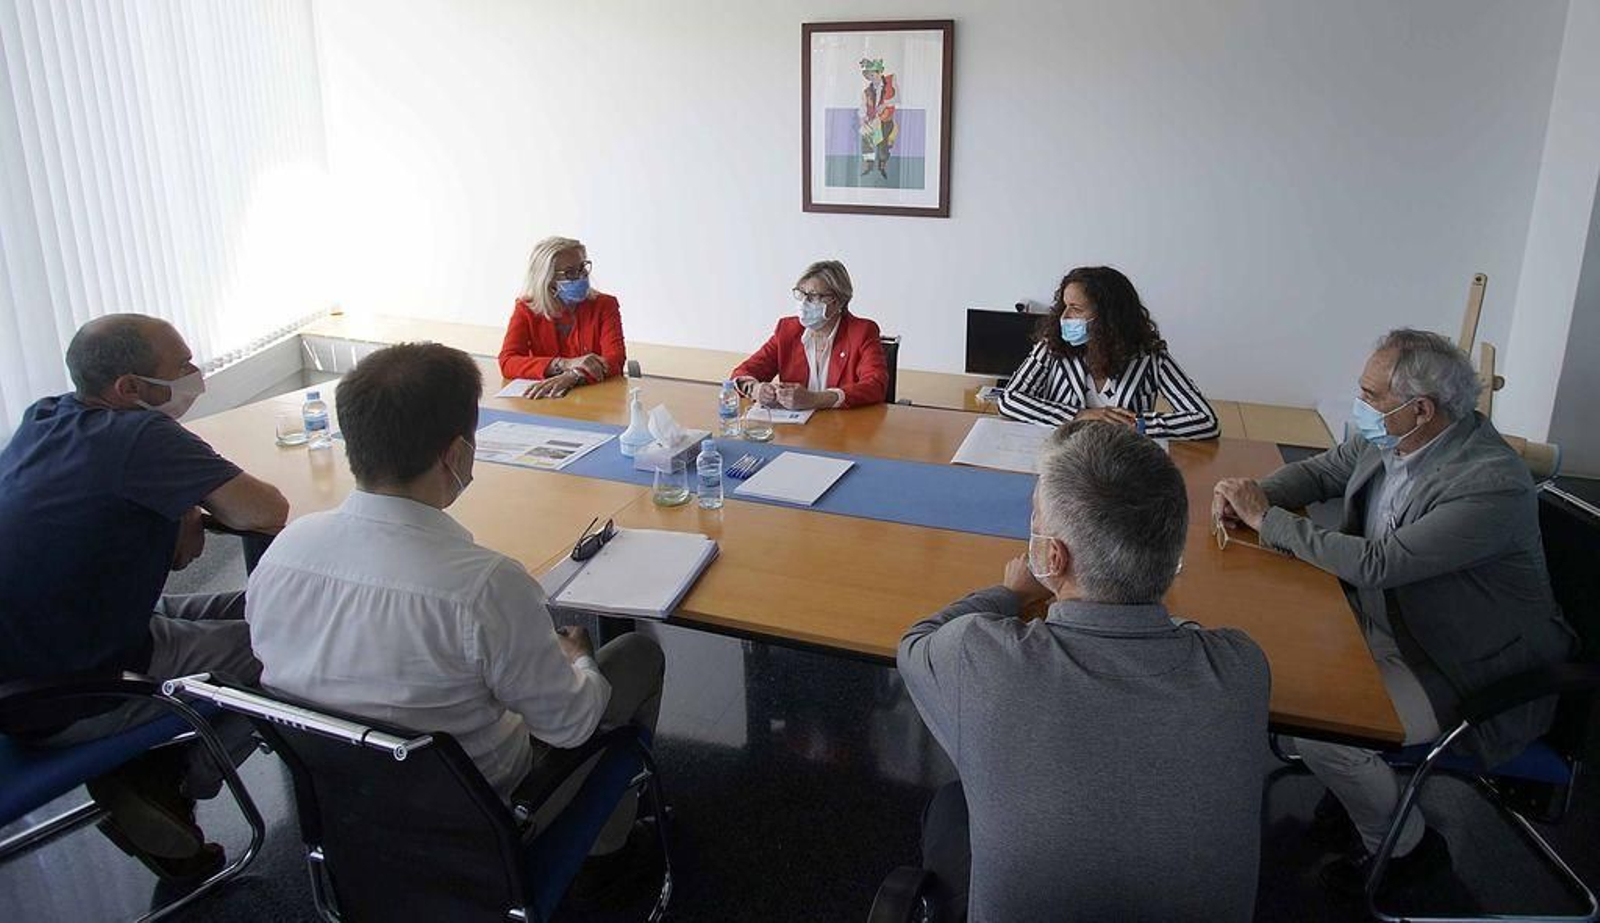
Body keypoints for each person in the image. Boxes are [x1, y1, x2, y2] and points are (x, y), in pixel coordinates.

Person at [245, 342, 666, 893]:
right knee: (634, 656)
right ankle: (606, 849)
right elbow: (569, 725)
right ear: (457, 454)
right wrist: (581, 661)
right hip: (480, 813)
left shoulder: (286, 549)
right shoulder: (484, 585)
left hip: (343, 801)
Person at [1212, 328, 1576, 897]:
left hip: (1464, 668)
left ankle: (1410, 852)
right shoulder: (1395, 438)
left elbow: (1382, 563)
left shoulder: (1489, 484)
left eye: (1370, 393)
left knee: (1321, 728)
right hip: (1390, 627)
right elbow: (1322, 472)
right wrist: (1256, 495)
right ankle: (1362, 795)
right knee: (1281, 665)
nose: (1361, 403)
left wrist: (1268, 521)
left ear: (1420, 409)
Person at [898, 420, 1270, 922]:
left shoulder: (981, 659)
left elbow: (917, 641)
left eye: (1035, 521)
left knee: (949, 807)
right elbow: (1182, 631)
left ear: (1053, 557)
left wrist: (1015, 593)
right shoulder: (1243, 669)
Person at [0, 314, 289, 881]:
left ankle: (148, 781)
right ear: (129, 389)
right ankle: (176, 780)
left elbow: (118, 484)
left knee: (269, 605)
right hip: (73, 687)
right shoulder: (141, 435)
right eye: (181, 368)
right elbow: (265, 511)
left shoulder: (48, 415)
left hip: (41, 652)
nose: (196, 376)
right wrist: (181, 498)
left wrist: (181, 504)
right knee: (296, 644)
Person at [995, 266, 1220, 439]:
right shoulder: (1051, 347)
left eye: (1076, 309)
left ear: (1108, 317)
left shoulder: (1151, 358)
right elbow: (1008, 400)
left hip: (1120, 463)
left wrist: (1136, 424)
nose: (1063, 317)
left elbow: (1206, 420)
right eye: (1064, 306)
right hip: (1063, 457)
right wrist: (1079, 416)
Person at [730, 260, 890, 410]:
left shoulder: (862, 332)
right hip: (797, 432)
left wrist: (815, 399)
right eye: (801, 294)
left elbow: (876, 386)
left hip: (844, 431)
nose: (804, 303)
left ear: (838, 302)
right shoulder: (787, 330)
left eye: (813, 296)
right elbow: (743, 372)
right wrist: (755, 389)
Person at [498, 236, 627, 399]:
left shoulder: (605, 305)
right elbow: (508, 362)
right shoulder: (526, 309)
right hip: (544, 399)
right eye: (570, 273)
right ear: (547, 280)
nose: (581, 276)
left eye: (582, 268)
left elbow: (615, 359)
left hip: (594, 397)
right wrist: (563, 364)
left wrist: (574, 375)